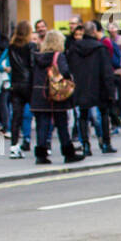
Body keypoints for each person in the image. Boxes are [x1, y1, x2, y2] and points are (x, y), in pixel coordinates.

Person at [31, 28, 81, 164]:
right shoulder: (58, 56)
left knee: (42, 125)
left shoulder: (37, 56)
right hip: (55, 94)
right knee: (62, 125)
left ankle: (41, 155)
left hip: (39, 95)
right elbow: (64, 72)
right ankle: (68, 153)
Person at [68, 21, 116, 154]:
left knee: (82, 116)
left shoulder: (74, 48)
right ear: (94, 32)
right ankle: (106, 144)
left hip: (81, 86)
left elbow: (69, 67)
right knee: (104, 114)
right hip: (99, 86)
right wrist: (110, 91)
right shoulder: (100, 48)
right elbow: (107, 71)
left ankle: (86, 145)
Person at [6, 22, 35, 158]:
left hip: (16, 84)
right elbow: (33, 65)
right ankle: (43, 144)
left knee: (16, 117)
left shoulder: (11, 47)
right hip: (28, 84)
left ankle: (14, 146)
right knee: (40, 114)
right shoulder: (30, 46)